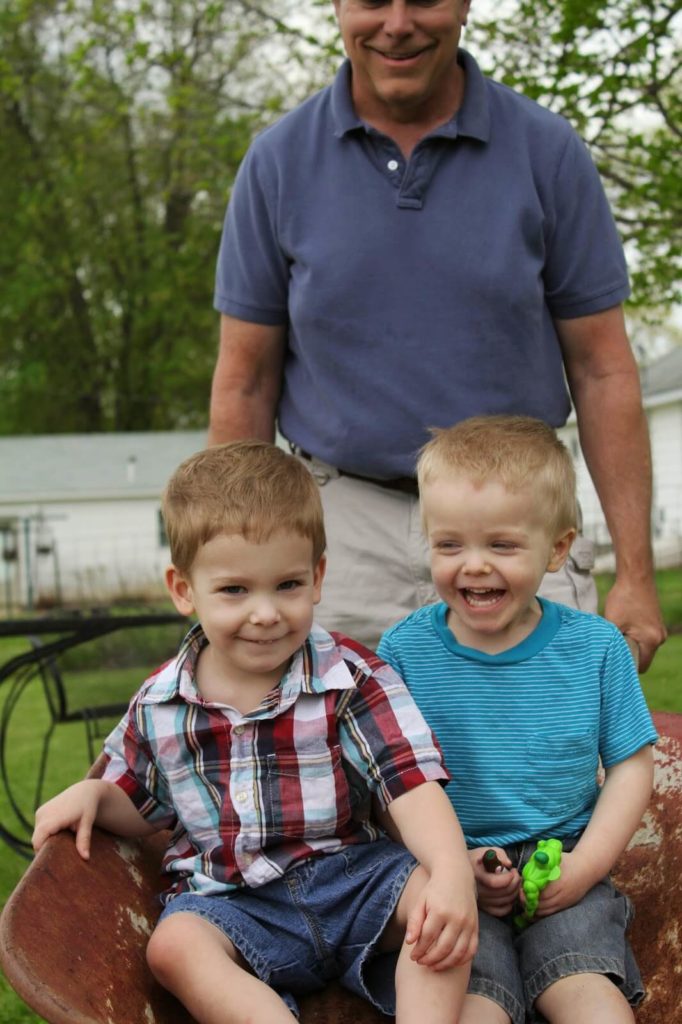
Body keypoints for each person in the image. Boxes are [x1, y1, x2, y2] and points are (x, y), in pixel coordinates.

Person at [208, 0, 666, 668]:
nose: (397, 23)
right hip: (340, 537)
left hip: (518, 518)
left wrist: (637, 574)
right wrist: (230, 570)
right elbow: (244, 382)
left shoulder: (547, 150)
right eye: (371, 0)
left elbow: (603, 369)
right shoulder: (277, 163)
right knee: (329, 769)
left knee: (549, 767)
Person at [32, 440, 478, 1024]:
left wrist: (449, 874)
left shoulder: (350, 679)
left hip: (353, 882)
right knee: (174, 945)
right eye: (235, 590)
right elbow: (143, 804)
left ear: (318, 577)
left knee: (434, 900)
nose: (265, 612)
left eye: (287, 585)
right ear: (183, 589)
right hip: (238, 904)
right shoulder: (162, 703)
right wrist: (96, 793)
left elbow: (410, 783)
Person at [376, 415, 658, 1024]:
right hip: (452, 870)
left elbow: (633, 766)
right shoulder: (403, 654)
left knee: (589, 998)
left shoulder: (596, 648)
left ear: (557, 548)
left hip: (565, 863)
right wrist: (451, 865)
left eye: (501, 545)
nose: (473, 566)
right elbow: (388, 782)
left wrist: (584, 870)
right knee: (475, 1007)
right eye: (449, 545)